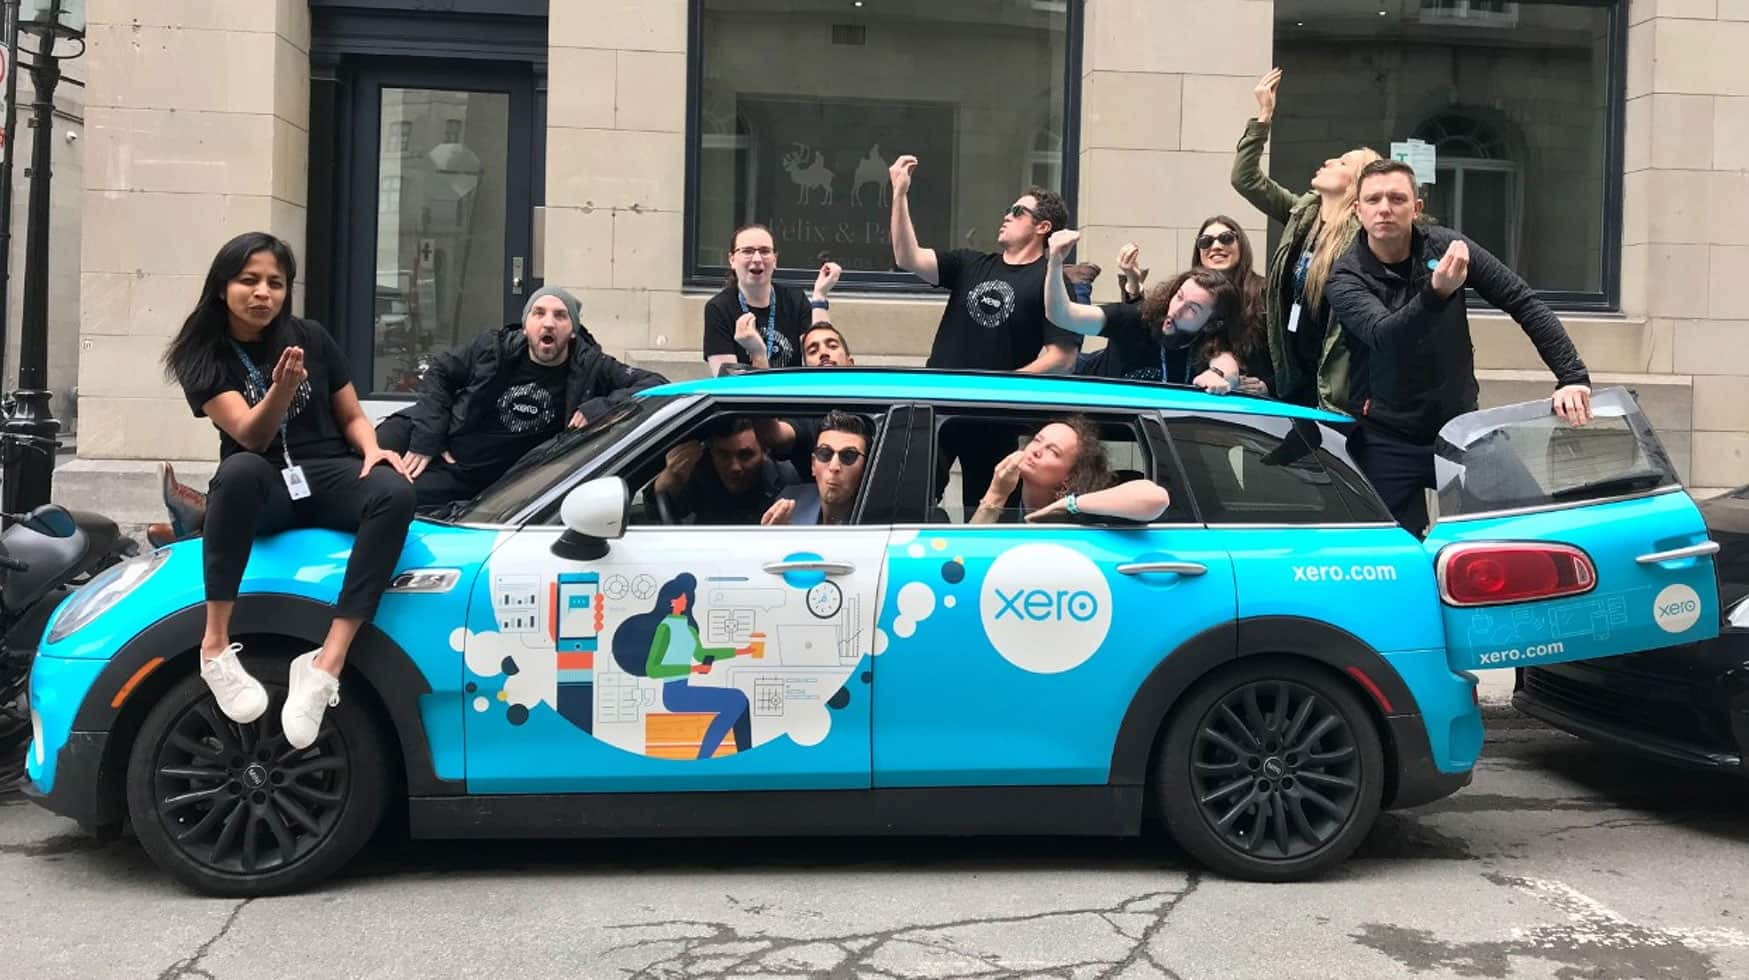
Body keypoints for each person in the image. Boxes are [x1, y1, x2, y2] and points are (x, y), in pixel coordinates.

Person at [161, 232, 416, 749]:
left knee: (395, 492)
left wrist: (371, 449)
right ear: (222, 287)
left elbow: (350, 413)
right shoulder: (202, 355)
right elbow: (250, 434)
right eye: (249, 281)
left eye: (275, 283)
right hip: (264, 481)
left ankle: (326, 663)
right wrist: (281, 387)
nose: (263, 294)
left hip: (325, 470)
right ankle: (215, 647)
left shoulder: (311, 336)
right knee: (239, 472)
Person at [1326, 159, 1593, 530]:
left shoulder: (1448, 246)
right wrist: (1436, 293)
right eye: (1373, 199)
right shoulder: (1345, 276)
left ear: (1416, 208)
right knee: (1380, 557)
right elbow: (1384, 337)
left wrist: (1572, 377)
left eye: (1397, 198)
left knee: (1524, 529)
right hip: (1384, 438)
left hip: (1459, 428)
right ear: (1358, 210)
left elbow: (1521, 299)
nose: (1385, 208)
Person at [888, 154, 1081, 510]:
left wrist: (1004, 384)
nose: (1006, 215)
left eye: (1018, 211)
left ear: (1043, 227)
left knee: (987, 508)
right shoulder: (971, 264)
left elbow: (1063, 356)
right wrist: (899, 194)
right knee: (910, 501)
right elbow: (907, 257)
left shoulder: (1050, 281)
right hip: (938, 406)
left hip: (993, 414)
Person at [378, 286, 667, 507]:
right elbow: (439, 370)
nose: (549, 323)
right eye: (538, 313)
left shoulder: (592, 366)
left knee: (385, 496)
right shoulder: (494, 348)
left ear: (574, 331)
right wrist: (430, 438)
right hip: (430, 433)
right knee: (358, 460)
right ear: (526, 324)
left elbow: (655, 384)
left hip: (469, 475)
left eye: (560, 315)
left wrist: (601, 408)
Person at [1232, 67, 1381, 411]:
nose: (1328, 161)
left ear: (1357, 182)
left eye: (1342, 162)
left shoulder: (1365, 234)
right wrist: (1263, 117)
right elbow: (1246, 179)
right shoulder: (1303, 214)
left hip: (1335, 385)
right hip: (1293, 376)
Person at [1044, 231, 1245, 392]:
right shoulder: (1136, 318)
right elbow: (1062, 315)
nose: (1175, 310)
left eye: (1192, 309)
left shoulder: (1209, 342)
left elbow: (1227, 366)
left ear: (1210, 324)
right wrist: (1055, 261)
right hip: (1084, 394)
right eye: (1179, 296)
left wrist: (1217, 375)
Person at [1106, 222, 1270, 394]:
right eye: (1205, 242)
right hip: (1201, 393)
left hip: (1250, 403)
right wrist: (1133, 283)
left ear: (1241, 243)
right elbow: (1146, 323)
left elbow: (1285, 354)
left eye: (1226, 238)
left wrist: (1268, 386)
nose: (1216, 246)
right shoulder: (1188, 286)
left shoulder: (1263, 294)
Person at [610, 573, 758, 760]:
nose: (685, 601)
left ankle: (740, 756)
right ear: (670, 601)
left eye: (687, 597)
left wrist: (742, 651)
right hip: (674, 695)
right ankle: (706, 758)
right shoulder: (664, 628)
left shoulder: (689, 628)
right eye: (682, 597)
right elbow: (653, 669)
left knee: (739, 700)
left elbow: (701, 655)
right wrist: (693, 670)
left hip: (684, 689)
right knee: (736, 700)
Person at [971, 416, 1171, 525]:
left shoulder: (1087, 512)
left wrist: (1070, 505)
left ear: (1070, 477)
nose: (1036, 450)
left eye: (1053, 451)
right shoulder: (1007, 491)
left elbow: (1157, 497)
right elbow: (968, 558)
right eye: (1038, 440)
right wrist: (997, 493)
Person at [703, 224, 841, 375]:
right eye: (747, 251)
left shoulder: (795, 300)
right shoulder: (718, 308)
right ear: (732, 260)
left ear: (775, 260)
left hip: (794, 395)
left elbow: (823, 361)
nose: (757, 259)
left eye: (764, 251)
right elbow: (729, 386)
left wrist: (819, 296)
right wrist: (757, 352)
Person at [653, 416, 800, 525]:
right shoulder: (699, 474)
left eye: (745, 455)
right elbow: (654, 520)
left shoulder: (788, 481)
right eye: (723, 455)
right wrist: (669, 480)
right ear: (710, 452)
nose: (734, 467)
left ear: (765, 451)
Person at [761, 411, 871, 527]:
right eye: (825, 453)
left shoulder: (877, 522)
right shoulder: (789, 498)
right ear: (813, 464)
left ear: (865, 468)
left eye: (848, 456)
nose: (834, 467)